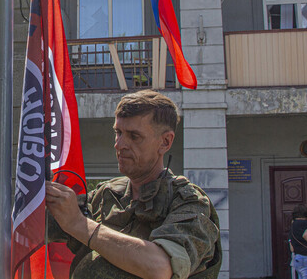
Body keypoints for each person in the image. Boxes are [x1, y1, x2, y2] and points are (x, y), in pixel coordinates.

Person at [45, 90, 222, 279]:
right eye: (118, 133)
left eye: (134, 136)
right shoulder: (106, 195)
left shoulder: (189, 202)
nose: (120, 144)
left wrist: (79, 225)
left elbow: (160, 267)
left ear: (165, 142)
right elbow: (34, 228)